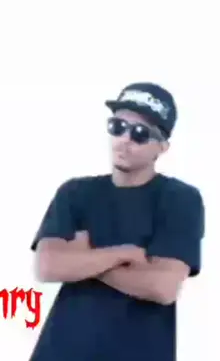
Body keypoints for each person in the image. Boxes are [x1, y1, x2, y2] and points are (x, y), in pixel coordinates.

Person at [29, 82, 205, 361]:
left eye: (140, 133)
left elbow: (163, 287)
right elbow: (47, 267)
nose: (124, 139)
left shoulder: (180, 200)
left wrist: (83, 260)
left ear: (162, 147)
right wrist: (124, 253)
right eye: (118, 126)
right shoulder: (75, 192)